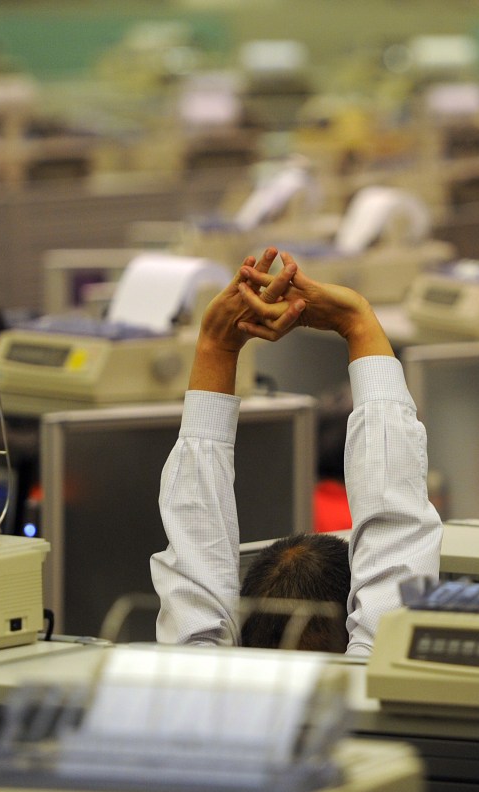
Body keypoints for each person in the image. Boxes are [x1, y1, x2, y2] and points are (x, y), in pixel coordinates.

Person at [150, 246, 442, 655]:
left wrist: (216, 346)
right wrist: (357, 321)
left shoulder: (199, 700)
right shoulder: (363, 692)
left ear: (241, 631)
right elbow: (394, 523)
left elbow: (193, 559)